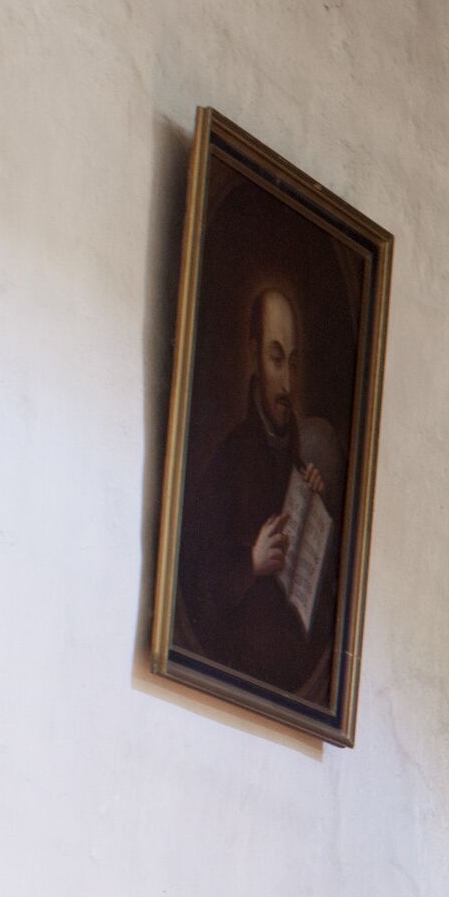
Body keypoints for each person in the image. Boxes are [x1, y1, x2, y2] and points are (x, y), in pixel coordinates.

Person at [177, 281, 344, 693]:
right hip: (234, 677)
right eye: (276, 359)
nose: (286, 383)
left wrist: (314, 509)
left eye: (293, 364)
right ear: (254, 354)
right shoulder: (230, 458)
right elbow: (193, 582)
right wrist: (250, 563)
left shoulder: (297, 461)